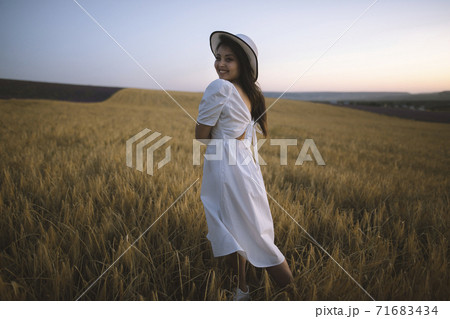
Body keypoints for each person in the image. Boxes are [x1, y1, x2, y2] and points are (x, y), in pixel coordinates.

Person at [195, 31, 294, 301]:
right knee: (243, 228)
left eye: (229, 59)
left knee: (248, 234)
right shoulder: (250, 93)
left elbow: (200, 136)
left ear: (243, 64)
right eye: (218, 57)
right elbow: (244, 135)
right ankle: (243, 289)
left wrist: (219, 134)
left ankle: (292, 293)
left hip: (226, 168)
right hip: (246, 166)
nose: (220, 64)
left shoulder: (220, 88)